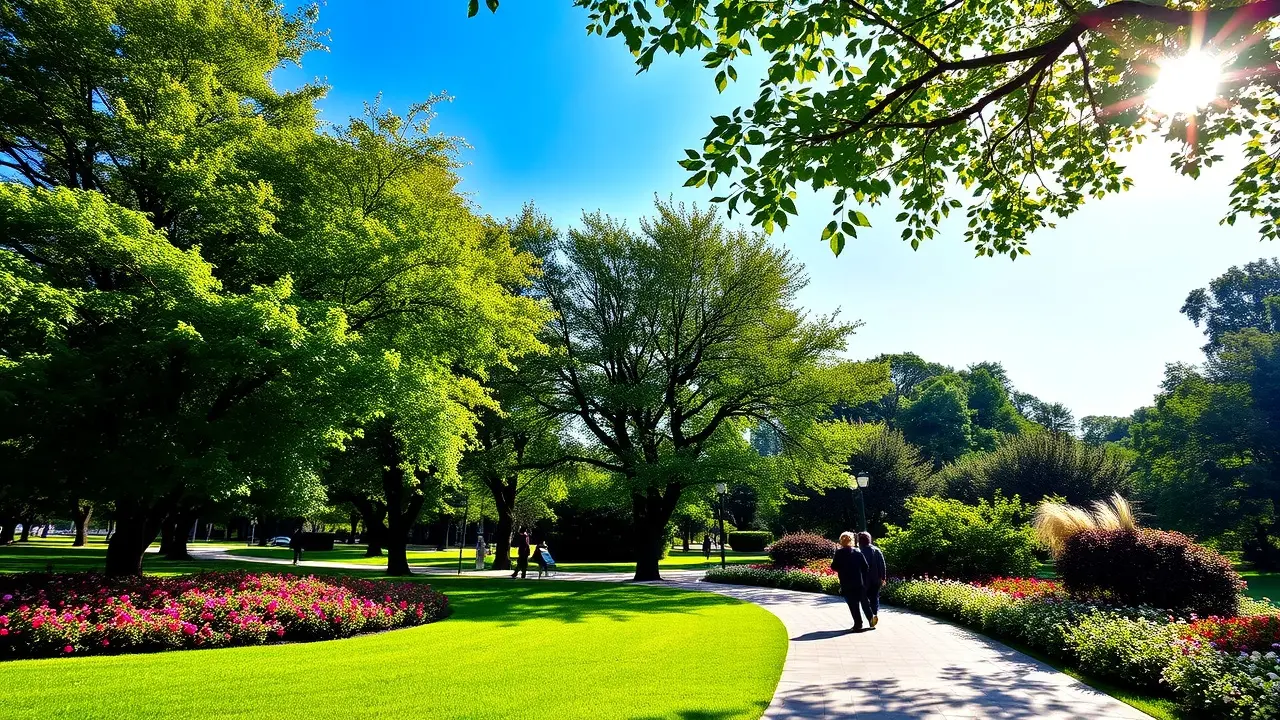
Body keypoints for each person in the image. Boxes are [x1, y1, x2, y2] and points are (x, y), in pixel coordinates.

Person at [830, 531, 872, 631]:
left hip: (846, 582)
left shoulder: (839, 553)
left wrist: (842, 569)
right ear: (852, 540)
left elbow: (834, 566)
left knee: (853, 604)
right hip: (858, 581)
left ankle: (858, 624)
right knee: (864, 601)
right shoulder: (857, 552)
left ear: (841, 541)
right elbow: (865, 567)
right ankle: (871, 619)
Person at [857, 531, 887, 628]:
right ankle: (874, 613)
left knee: (864, 600)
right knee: (874, 598)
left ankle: (870, 618)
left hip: (863, 580)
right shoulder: (877, 550)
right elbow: (882, 565)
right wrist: (883, 577)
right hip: (876, 579)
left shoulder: (859, 551)